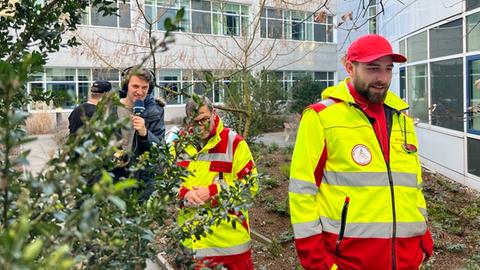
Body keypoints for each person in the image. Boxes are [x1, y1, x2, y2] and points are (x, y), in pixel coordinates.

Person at [289, 34, 433, 270]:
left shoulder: (402, 119)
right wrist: (316, 262)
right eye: (372, 68)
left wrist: (423, 237)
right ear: (349, 68)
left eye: (388, 69)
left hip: (407, 258)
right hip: (349, 261)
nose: (382, 78)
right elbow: (301, 193)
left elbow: (413, 185)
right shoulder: (321, 117)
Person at [176, 96, 258, 270]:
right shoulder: (179, 145)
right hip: (192, 246)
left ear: (214, 113)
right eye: (195, 122)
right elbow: (168, 185)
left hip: (230, 248)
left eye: (205, 119)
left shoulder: (233, 143)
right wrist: (184, 195)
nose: (201, 126)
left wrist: (213, 192)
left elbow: (251, 186)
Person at [112, 66, 165, 200]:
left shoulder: (155, 111)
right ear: (126, 86)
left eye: (144, 88)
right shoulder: (109, 109)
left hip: (141, 183)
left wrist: (145, 133)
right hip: (114, 180)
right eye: (135, 86)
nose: (140, 92)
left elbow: (159, 150)